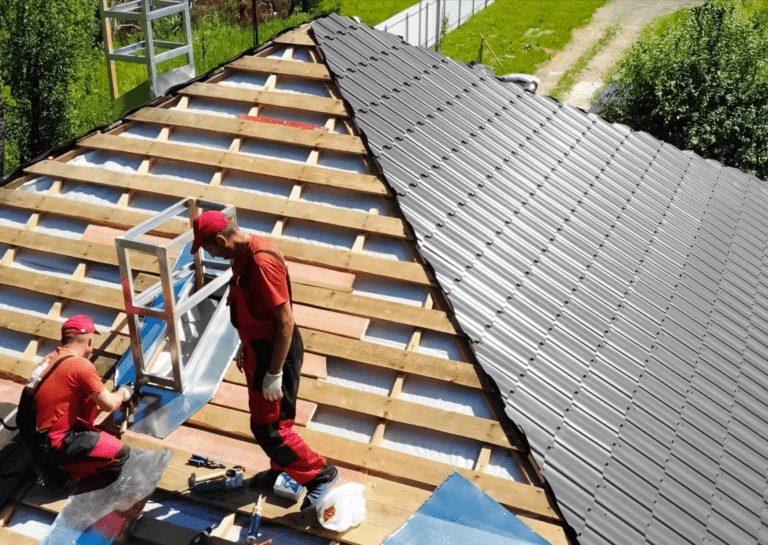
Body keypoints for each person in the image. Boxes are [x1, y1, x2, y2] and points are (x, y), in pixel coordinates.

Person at [191, 210, 339, 510]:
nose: (213, 255)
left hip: (275, 354)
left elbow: (285, 322)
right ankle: (282, 469)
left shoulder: (261, 262)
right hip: (259, 349)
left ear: (222, 239)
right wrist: (245, 344)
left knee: (269, 428)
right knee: (275, 420)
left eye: (211, 249)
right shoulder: (243, 252)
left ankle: (320, 473)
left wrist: (274, 373)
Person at [18, 315, 136, 493]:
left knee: (88, 402)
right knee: (121, 455)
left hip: (35, 437)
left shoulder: (50, 358)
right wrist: (125, 393)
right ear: (89, 341)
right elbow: (109, 405)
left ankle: (51, 462)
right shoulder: (81, 365)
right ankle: (62, 475)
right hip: (53, 443)